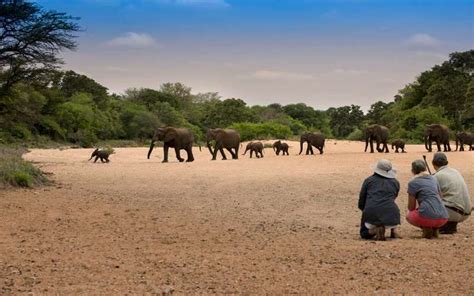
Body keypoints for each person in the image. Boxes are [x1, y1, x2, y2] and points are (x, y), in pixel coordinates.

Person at [358, 159, 401, 241]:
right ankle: (393, 230)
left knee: (363, 233)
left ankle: (374, 230)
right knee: (390, 205)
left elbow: (361, 201)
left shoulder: (368, 181)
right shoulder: (395, 182)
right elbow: (393, 197)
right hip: (392, 214)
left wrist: (365, 211)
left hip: (372, 211)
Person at [406, 160, 448, 239]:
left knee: (409, 215)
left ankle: (427, 228)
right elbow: (441, 197)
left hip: (427, 217)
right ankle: (435, 229)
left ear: (413, 171)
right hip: (443, 217)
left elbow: (411, 207)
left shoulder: (412, 183)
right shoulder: (434, 179)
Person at [432, 152, 472, 234]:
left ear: (433, 163)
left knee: (428, 202)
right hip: (466, 213)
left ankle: (443, 225)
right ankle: (450, 225)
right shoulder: (455, 171)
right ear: (447, 162)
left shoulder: (436, 176)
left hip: (453, 212)